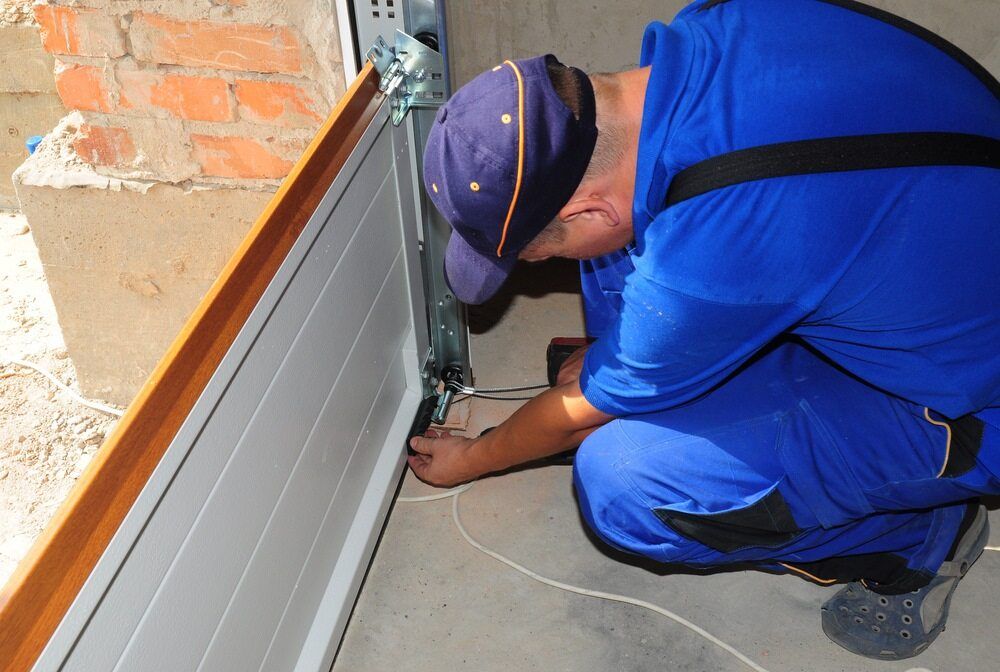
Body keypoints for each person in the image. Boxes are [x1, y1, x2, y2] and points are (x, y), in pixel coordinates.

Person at [410, 0, 999, 659]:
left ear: (585, 207)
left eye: (539, 252)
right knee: (624, 248)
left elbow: (571, 420)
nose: (538, 268)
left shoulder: (714, 249)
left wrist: (477, 457)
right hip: (939, 225)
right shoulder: (715, 21)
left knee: (623, 481)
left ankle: (915, 540)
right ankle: (653, 368)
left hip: (977, 402)